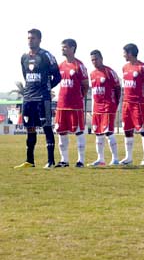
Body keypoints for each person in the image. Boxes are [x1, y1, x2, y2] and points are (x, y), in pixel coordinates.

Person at [14, 29, 61, 169]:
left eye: (33, 38)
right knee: (30, 128)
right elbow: (26, 75)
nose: (30, 40)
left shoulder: (46, 56)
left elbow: (57, 76)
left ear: (39, 40)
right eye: (28, 38)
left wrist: (46, 87)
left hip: (42, 98)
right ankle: (30, 161)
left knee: (46, 127)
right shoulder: (24, 57)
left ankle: (50, 161)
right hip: (28, 98)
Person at [54, 39, 89, 168]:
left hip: (75, 106)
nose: (62, 49)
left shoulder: (79, 65)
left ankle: (81, 160)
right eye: (62, 47)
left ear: (72, 48)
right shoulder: (61, 65)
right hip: (62, 105)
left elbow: (85, 85)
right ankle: (64, 160)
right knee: (61, 132)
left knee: (79, 132)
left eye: (65, 47)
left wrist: (79, 97)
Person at [120, 43, 144, 166]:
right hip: (126, 103)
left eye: (124, 53)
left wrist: (143, 97)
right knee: (127, 130)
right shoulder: (125, 67)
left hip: (138, 103)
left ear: (130, 53)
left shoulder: (142, 67)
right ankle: (128, 157)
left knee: (143, 130)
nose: (123, 55)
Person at [88, 50, 121, 166]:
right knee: (98, 133)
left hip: (108, 106)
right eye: (92, 60)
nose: (94, 62)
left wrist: (115, 104)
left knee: (108, 132)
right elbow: (93, 92)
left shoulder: (109, 72)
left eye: (96, 59)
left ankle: (115, 159)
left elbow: (118, 89)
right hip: (97, 107)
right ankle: (100, 159)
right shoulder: (92, 74)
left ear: (101, 58)